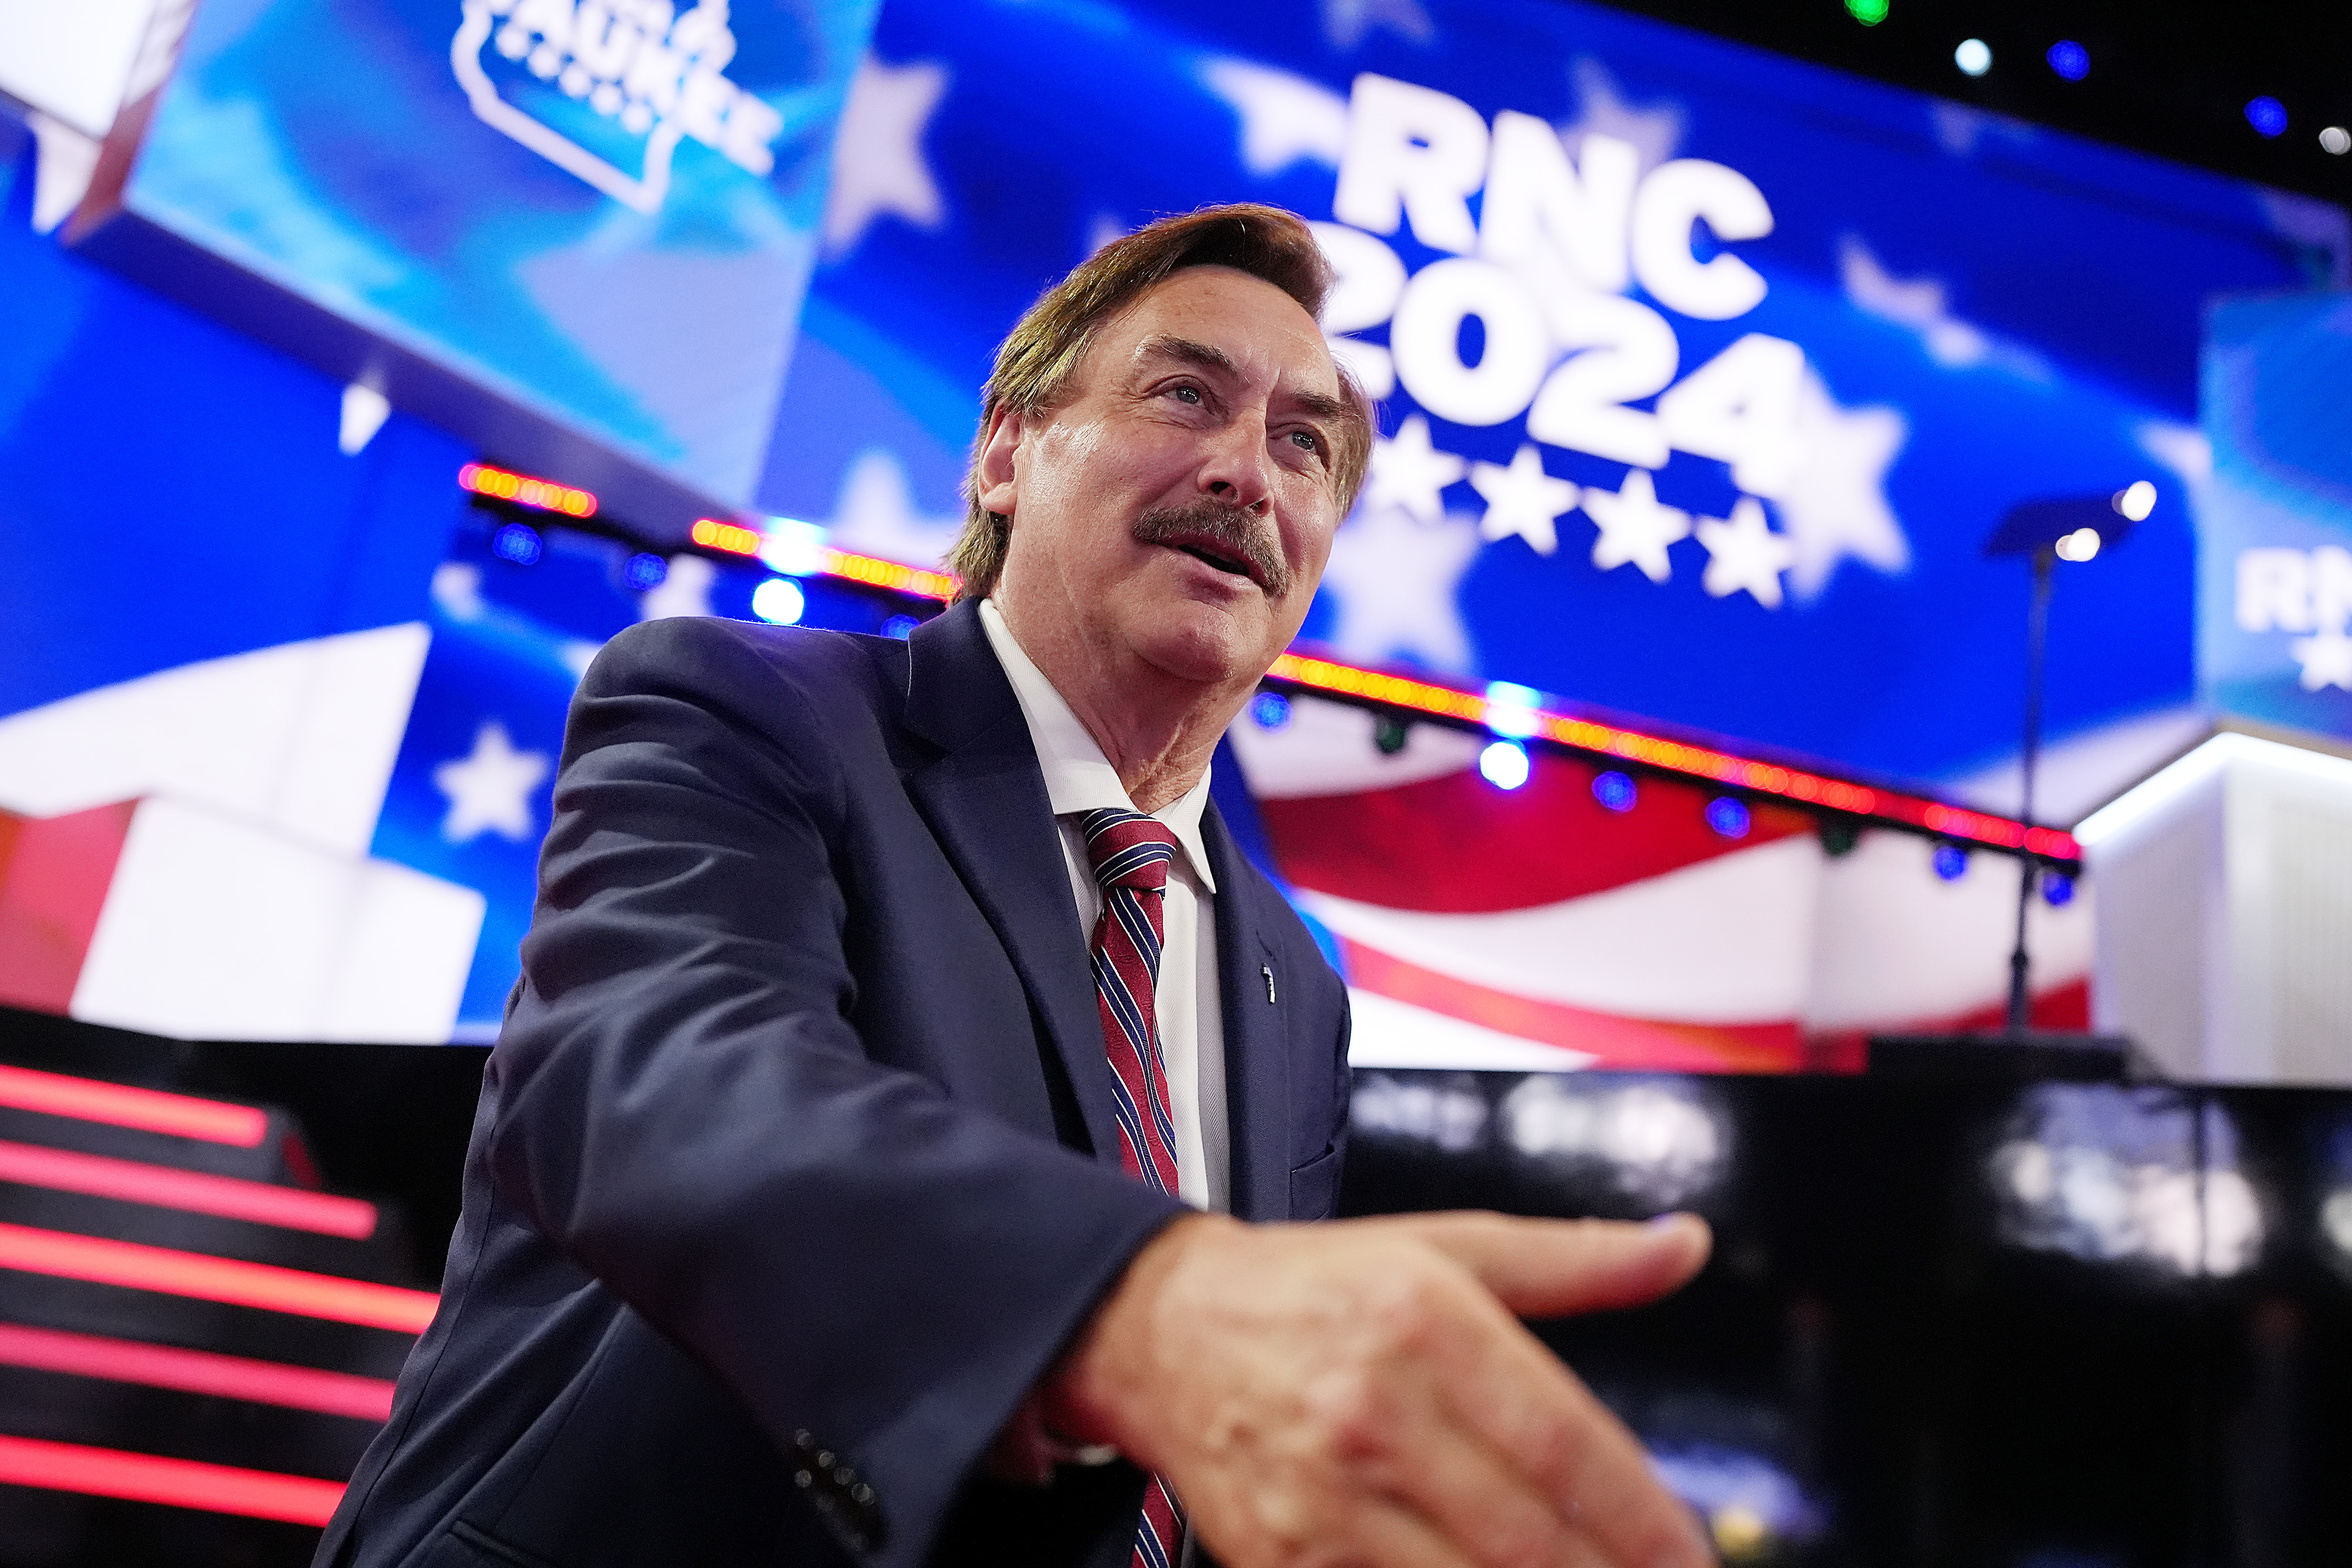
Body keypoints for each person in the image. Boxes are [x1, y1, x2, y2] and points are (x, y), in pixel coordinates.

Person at [316, 203, 1715, 1568]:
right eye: (1184, 394)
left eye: (1305, 444)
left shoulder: (1295, 981)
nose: (1248, 472)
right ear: (1005, 452)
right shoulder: (744, 707)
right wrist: (1141, 1300)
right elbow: (652, 1083)